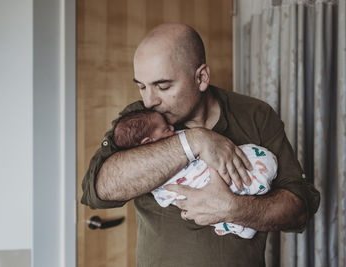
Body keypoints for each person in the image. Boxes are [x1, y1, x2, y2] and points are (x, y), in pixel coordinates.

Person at [81, 22, 320, 267]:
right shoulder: (142, 120)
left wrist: (234, 208)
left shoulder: (255, 115)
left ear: (201, 77)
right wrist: (193, 140)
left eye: (163, 86)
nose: (149, 100)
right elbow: (99, 189)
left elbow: (298, 209)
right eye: (142, 86)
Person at [113, 109, 279, 239]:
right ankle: (253, 186)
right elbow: (171, 197)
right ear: (148, 142)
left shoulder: (180, 138)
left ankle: (251, 189)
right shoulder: (147, 173)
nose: (172, 128)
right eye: (166, 129)